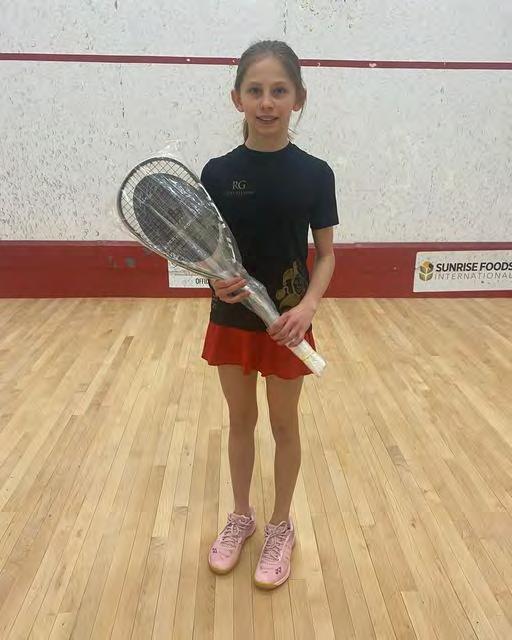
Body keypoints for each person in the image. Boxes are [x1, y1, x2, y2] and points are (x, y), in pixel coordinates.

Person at [201, 40, 338, 590]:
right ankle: (241, 516)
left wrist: (307, 307)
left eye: (279, 91)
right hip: (231, 320)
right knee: (240, 422)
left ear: (298, 98)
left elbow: (326, 255)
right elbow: (205, 252)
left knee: (284, 426)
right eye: (255, 90)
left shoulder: (315, 174)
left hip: (288, 324)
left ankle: (281, 526)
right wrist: (213, 279)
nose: (266, 102)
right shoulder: (216, 173)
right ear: (236, 98)